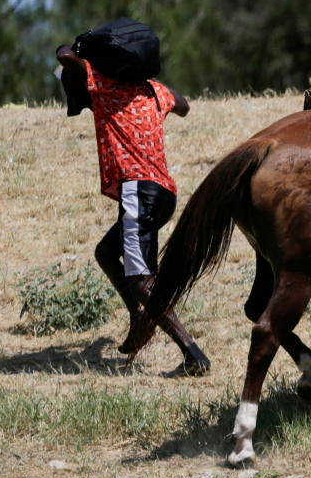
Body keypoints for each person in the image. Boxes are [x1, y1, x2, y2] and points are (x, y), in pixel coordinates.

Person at [56, 42, 210, 376]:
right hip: (163, 192)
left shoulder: (106, 87)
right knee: (107, 253)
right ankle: (140, 316)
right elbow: (183, 105)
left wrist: (83, 45)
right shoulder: (154, 91)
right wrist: (153, 84)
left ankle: (192, 354)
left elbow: (65, 56)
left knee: (140, 280)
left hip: (138, 192)